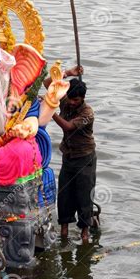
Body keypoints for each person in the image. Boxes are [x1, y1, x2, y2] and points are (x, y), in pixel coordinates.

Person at [44, 66, 97, 242]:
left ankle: (85, 232)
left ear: (82, 98)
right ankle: (64, 231)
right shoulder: (65, 100)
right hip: (68, 157)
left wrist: (50, 110)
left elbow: (68, 127)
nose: (72, 102)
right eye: (71, 99)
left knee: (84, 196)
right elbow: (47, 83)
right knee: (64, 196)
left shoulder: (87, 113)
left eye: (76, 100)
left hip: (84, 159)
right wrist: (67, 74)